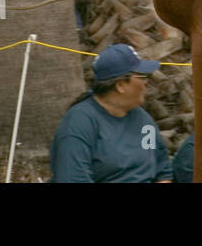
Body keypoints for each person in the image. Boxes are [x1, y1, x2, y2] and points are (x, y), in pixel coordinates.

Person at [50, 44, 172, 183]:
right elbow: (73, 178)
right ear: (120, 85)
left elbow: (162, 170)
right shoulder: (79, 123)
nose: (146, 82)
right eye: (142, 76)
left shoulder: (144, 122)